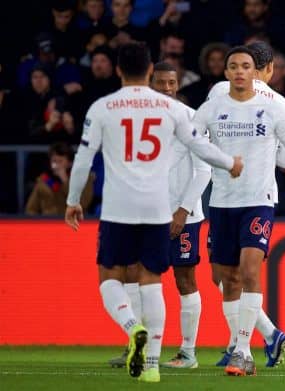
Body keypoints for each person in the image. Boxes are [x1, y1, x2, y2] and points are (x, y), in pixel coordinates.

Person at [65, 42, 242, 383]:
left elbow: (83, 158)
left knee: (110, 278)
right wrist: (229, 162)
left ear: (118, 70)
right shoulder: (171, 110)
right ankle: (152, 365)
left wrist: (73, 199)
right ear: (149, 72)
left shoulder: (103, 108)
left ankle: (133, 329)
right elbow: (201, 146)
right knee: (152, 281)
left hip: (119, 207)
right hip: (158, 207)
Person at [192, 46, 285, 376]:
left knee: (250, 271)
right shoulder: (213, 106)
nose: (240, 72)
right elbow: (189, 138)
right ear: (226, 73)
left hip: (258, 201)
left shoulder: (275, 108)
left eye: (246, 66)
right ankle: (254, 342)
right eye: (234, 66)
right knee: (227, 278)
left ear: (257, 72)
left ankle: (242, 350)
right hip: (222, 202)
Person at [107, 61, 212, 370]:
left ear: (177, 85)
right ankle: (135, 346)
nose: (167, 88)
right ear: (151, 84)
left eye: (171, 83)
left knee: (185, 278)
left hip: (184, 217)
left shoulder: (191, 119)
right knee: (134, 275)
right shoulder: (140, 120)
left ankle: (188, 352)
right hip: (146, 214)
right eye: (161, 83)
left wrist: (182, 211)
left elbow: (204, 170)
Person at [206, 41, 285, 369]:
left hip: (246, 196)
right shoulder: (282, 104)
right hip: (227, 197)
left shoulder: (221, 91)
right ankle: (265, 336)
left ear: (251, 68)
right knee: (228, 275)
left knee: (238, 274)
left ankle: (241, 345)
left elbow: (202, 142)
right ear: (268, 69)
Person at [26, 142, 94, 215]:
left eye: (60, 161)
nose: (56, 165)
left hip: (73, 222)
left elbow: (83, 204)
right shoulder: (43, 181)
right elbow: (30, 209)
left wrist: (65, 181)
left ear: (70, 163)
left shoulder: (82, 178)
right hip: (48, 223)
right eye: (54, 161)